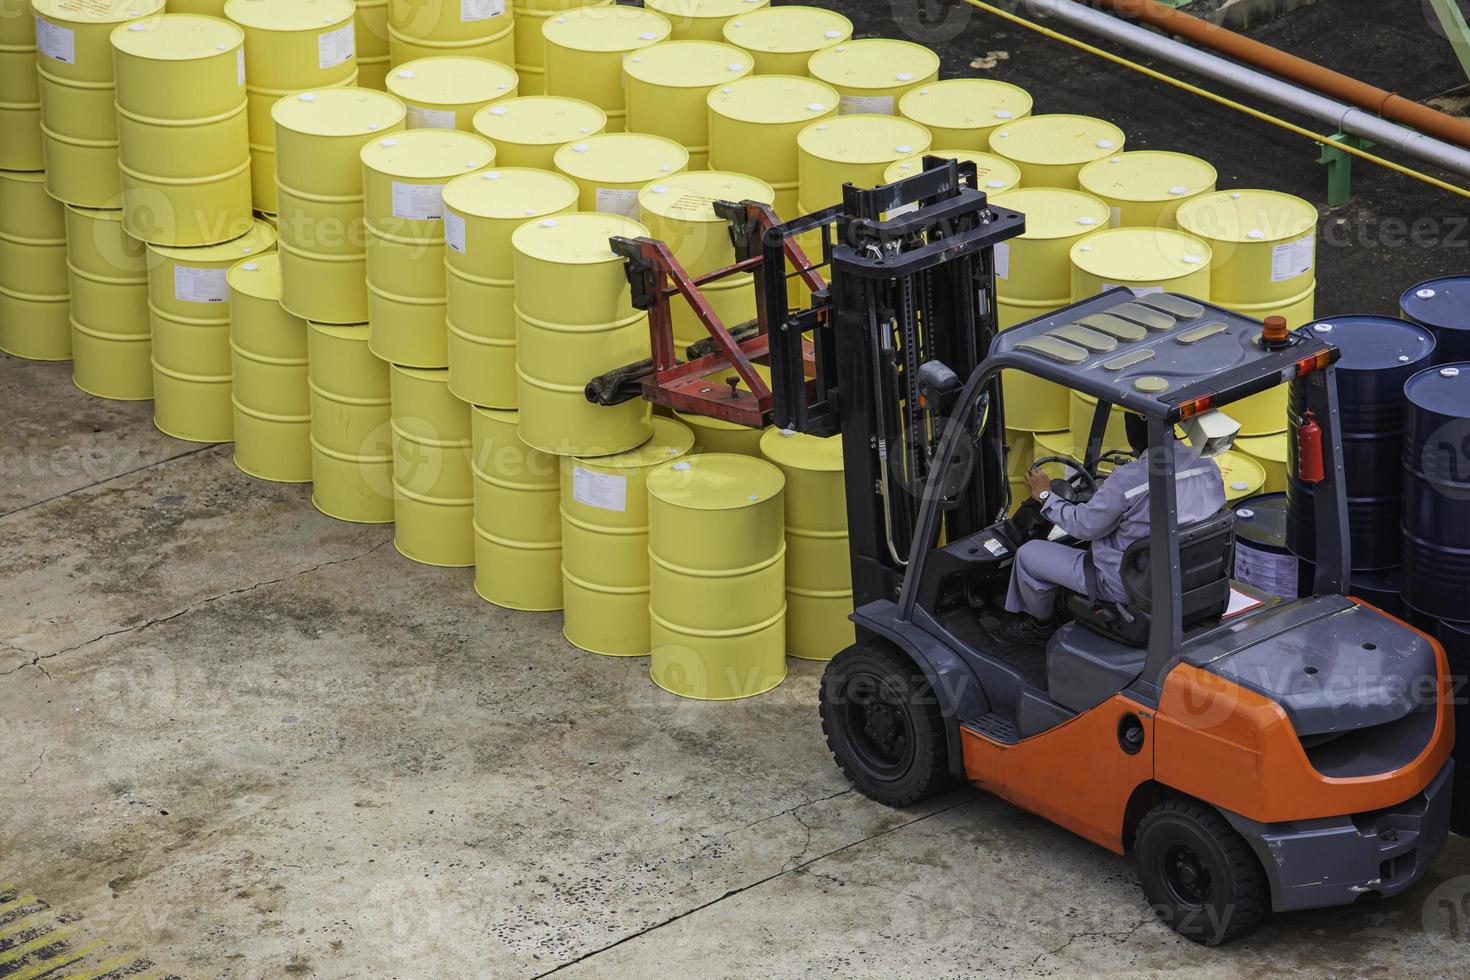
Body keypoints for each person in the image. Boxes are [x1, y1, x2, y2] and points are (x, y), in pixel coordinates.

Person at [1002, 412, 1226, 641]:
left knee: (1028, 555)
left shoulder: (1128, 479)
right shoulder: (1208, 465)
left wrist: (1045, 495)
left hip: (1128, 584)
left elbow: (1083, 526)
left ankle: (1039, 626)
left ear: (1132, 433)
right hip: (1190, 573)